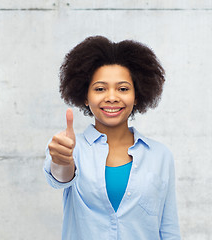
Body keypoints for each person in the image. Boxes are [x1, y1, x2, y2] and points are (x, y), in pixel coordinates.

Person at [43, 36, 181, 239]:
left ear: (137, 95)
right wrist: (62, 160)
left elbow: (168, 229)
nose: (112, 97)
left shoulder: (160, 155)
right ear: (85, 96)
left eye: (123, 89)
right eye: (100, 89)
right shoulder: (69, 147)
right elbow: (61, 177)